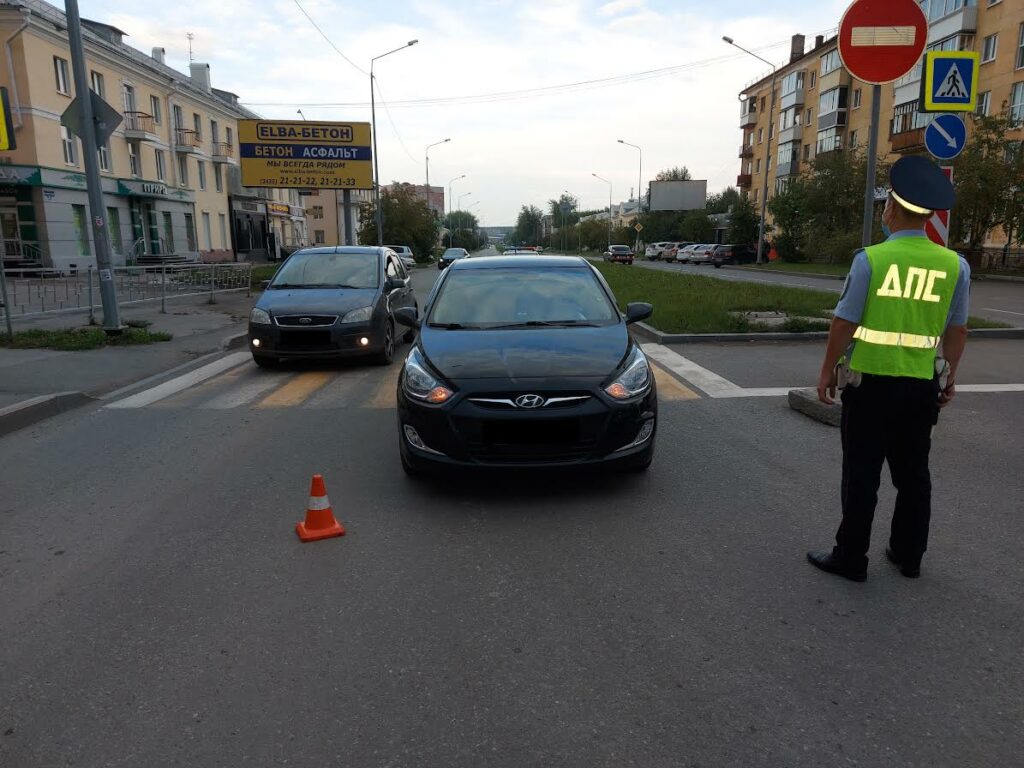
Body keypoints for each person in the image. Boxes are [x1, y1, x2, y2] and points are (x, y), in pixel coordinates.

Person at [807, 155, 970, 582]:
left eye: (885, 205)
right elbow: (958, 330)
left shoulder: (871, 260)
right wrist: (948, 377)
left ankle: (851, 558)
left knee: (862, 475)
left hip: (870, 385)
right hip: (920, 388)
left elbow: (845, 322)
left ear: (892, 210)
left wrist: (826, 370)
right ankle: (908, 554)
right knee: (914, 474)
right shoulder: (956, 266)